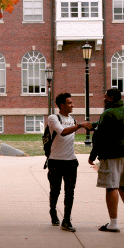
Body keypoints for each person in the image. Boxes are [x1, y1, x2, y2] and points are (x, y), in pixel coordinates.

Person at [88, 88, 124, 232]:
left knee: (111, 187)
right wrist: (92, 124)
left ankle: (113, 223)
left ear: (111, 97)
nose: (103, 98)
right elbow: (110, 126)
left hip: (112, 154)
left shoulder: (108, 113)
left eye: (105, 96)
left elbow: (100, 136)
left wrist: (92, 155)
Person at [47, 92, 90, 232]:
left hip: (71, 161)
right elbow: (63, 132)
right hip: (55, 161)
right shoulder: (53, 118)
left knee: (70, 192)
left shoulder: (73, 119)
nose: (72, 105)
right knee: (55, 190)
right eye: (69, 103)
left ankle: (66, 220)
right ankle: (53, 210)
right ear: (61, 105)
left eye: (72, 102)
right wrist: (80, 126)